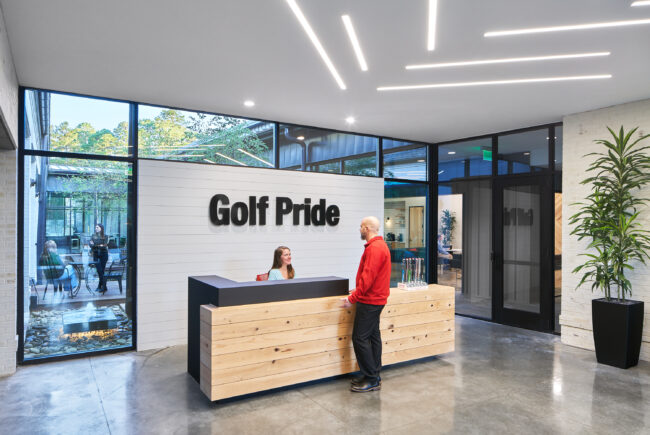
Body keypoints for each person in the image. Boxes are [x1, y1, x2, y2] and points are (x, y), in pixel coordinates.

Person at [341, 216, 391, 393]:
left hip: (370, 301)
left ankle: (371, 378)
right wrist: (356, 291)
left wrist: (352, 298)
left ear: (367, 228)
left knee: (360, 338)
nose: (359, 229)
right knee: (373, 337)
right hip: (375, 299)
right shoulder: (379, 246)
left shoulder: (375, 248)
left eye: (361, 226)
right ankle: (373, 374)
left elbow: (368, 278)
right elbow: (371, 277)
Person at [89, 223, 109, 293]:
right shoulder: (93, 236)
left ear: (101, 228)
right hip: (96, 254)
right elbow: (90, 245)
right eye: (95, 227)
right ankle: (104, 286)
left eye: (97, 227)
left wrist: (94, 244)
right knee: (99, 270)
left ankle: (101, 286)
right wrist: (98, 245)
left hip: (104, 254)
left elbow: (104, 245)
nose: (96, 228)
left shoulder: (105, 236)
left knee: (102, 270)